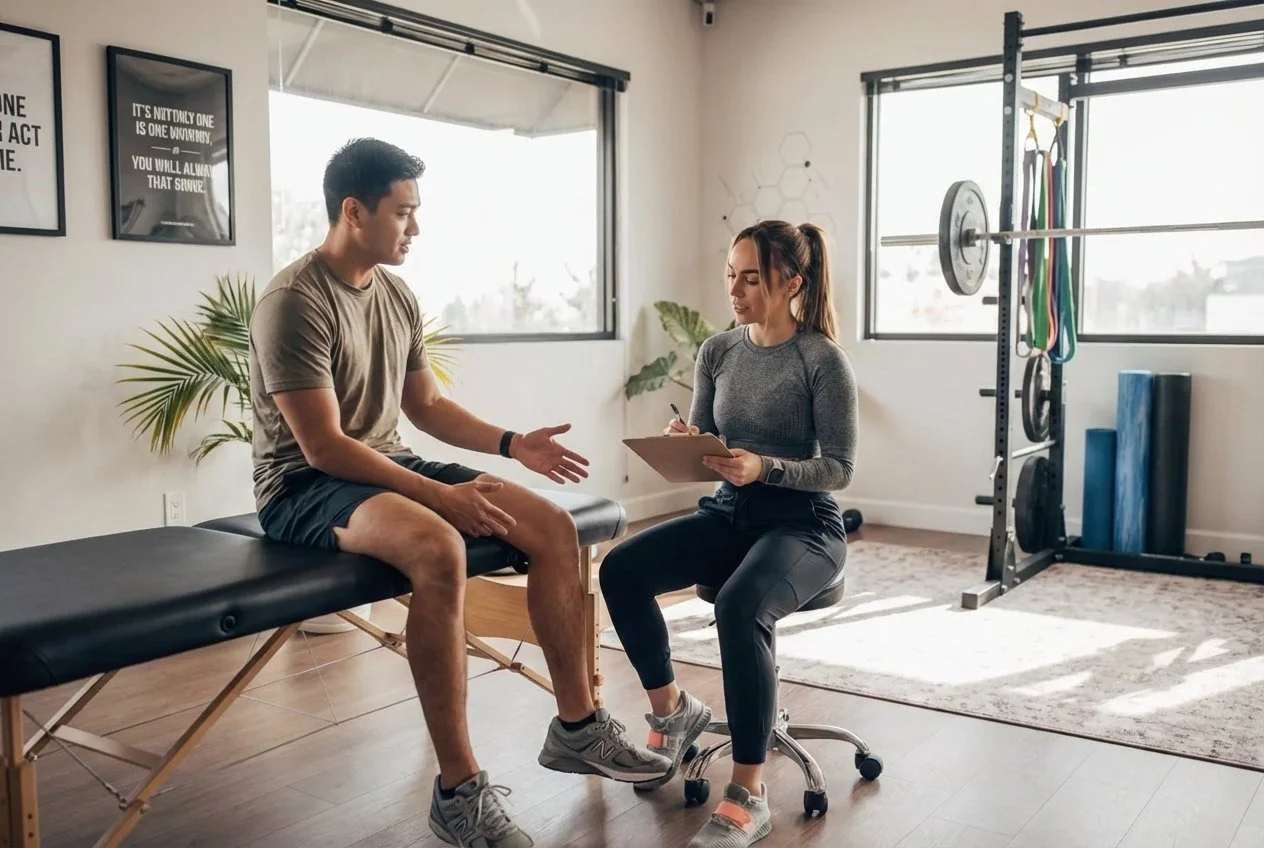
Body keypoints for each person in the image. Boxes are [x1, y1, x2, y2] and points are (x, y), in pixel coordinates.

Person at [248, 137, 671, 848]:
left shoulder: (395, 294)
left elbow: (427, 409)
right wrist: (438, 498)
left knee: (551, 527)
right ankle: (458, 790)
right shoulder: (293, 302)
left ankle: (577, 726)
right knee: (439, 548)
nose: (416, 228)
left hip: (381, 459)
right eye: (404, 213)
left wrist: (513, 445)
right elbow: (323, 447)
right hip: (303, 486)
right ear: (355, 211)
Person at [598, 220, 857, 847]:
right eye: (730, 275)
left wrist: (764, 466)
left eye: (752, 277)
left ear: (791, 282)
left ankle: (749, 792)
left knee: (741, 605)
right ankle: (672, 712)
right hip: (728, 513)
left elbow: (840, 469)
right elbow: (704, 442)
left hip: (803, 525)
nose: (735, 290)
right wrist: (691, 447)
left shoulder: (820, 359)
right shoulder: (717, 350)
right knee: (620, 570)